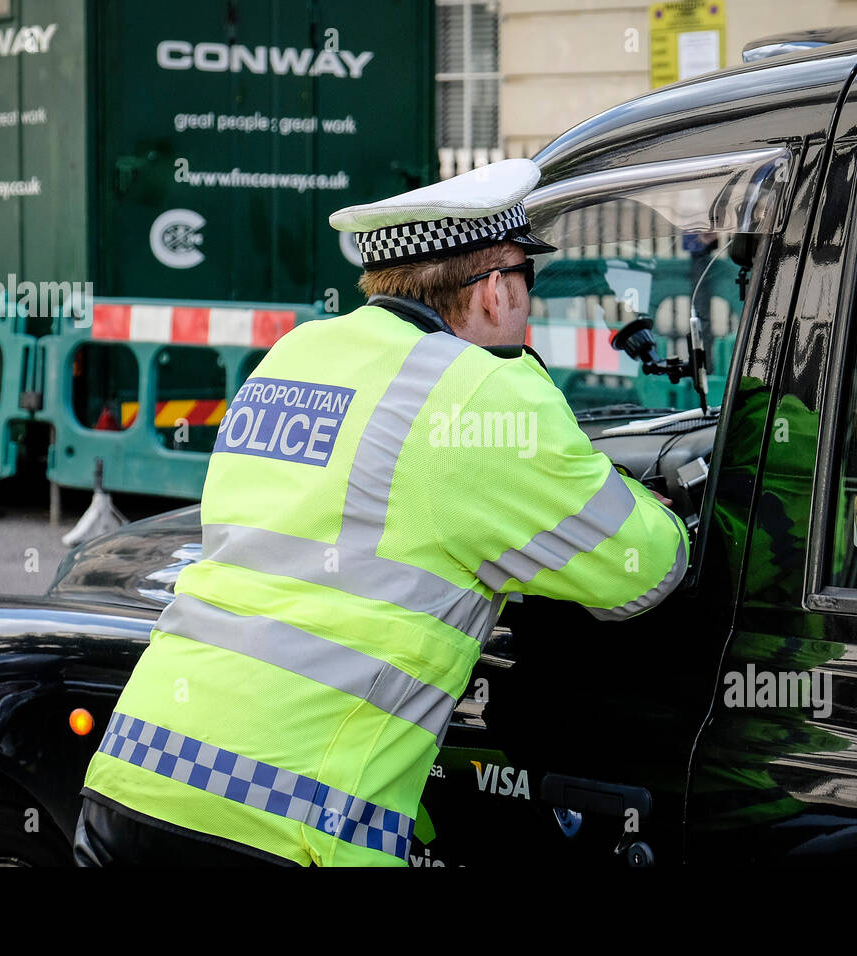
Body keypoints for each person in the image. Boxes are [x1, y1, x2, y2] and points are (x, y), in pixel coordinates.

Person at [72, 158, 689, 867]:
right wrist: (656, 504)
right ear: (493, 291)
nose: (531, 303)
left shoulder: (297, 353)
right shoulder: (479, 392)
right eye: (527, 280)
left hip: (136, 774)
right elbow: (645, 571)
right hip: (290, 825)